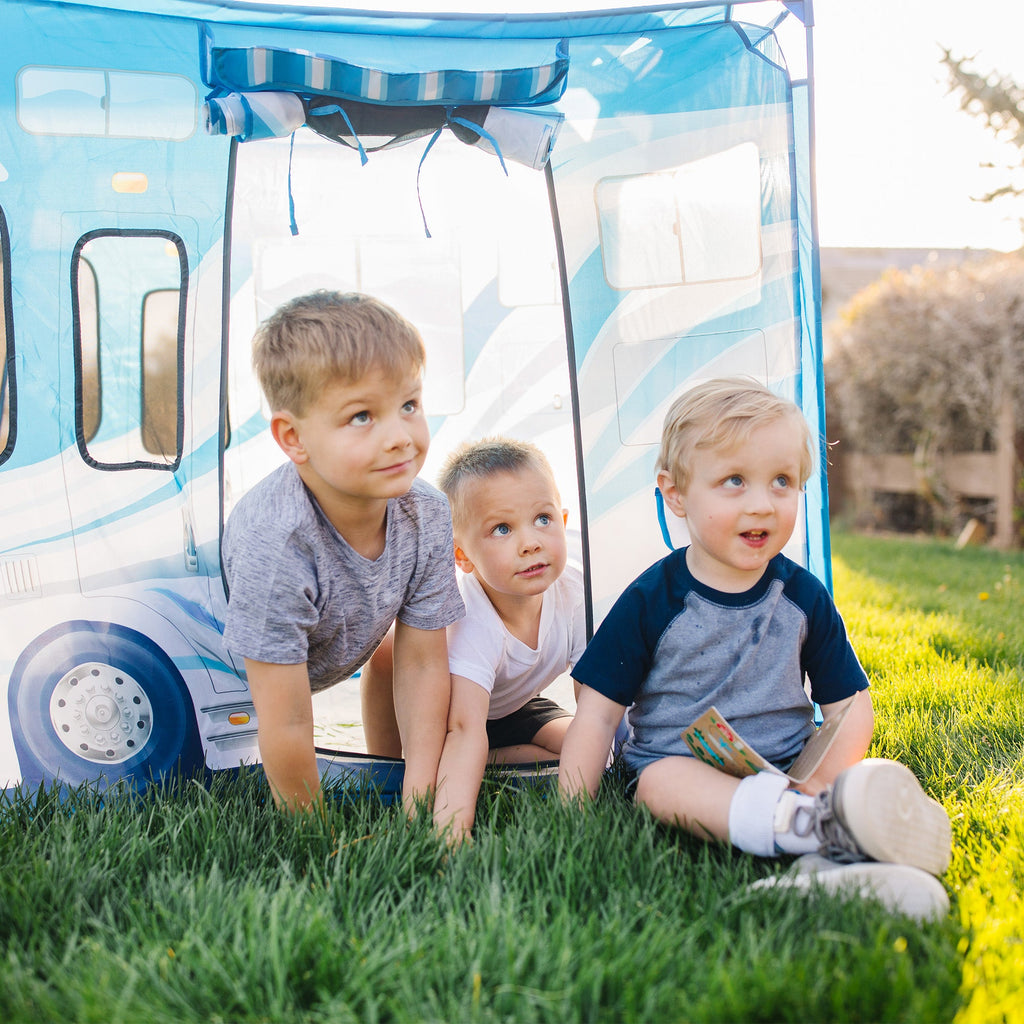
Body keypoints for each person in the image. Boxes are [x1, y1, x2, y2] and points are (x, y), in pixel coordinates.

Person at [559, 377, 952, 918]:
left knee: (864, 770)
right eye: (735, 481)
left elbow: (849, 707)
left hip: (789, 764)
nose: (763, 504)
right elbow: (597, 716)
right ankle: (820, 837)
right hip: (684, 770)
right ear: (675, 494)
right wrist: (573, 819)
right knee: (659, 785)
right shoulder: (652, 600)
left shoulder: (801, 597)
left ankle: (818, 844)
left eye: (782, 482)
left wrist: (816, 780)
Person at [222, 291, 465, 815]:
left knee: (392, 653)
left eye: (409, 405)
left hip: (345, 635)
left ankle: (393, 776)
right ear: (294, 438)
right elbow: (286, 719)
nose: (401, 437)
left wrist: (421, 798)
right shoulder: (278, 543)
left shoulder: (426, 512)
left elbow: (423, 662)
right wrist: (312, 835)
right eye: (362, 416)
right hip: (249, 662)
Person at [430, 437, 587, 840]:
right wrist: (452, 835)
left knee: (583, 743)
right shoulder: (470, 618)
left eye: (543, 519)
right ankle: (468, 765)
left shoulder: (574, 592)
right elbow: (464, 730)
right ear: (462, 556)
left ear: (564, 519)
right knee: (457, 753)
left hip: (513, 706)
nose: (531, 542)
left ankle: (490, 762)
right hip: (454, 715)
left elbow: (594, 701)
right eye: (502, 528)